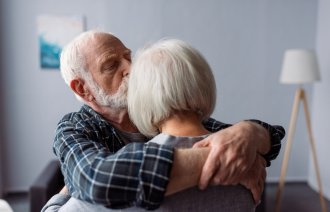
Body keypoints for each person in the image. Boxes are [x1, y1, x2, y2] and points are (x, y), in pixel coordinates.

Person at [42, 30, 285, 211]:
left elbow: (266, 140)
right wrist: (221, 159)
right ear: (83, 89)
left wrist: (251, 132)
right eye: (111, 65)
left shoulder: (167, 114)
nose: (130, 67)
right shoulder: (74, 127)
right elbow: (96, 179)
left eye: (128, 56)